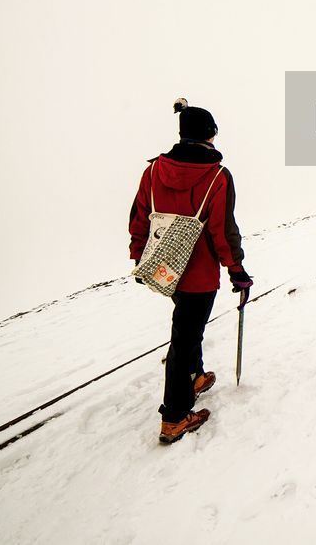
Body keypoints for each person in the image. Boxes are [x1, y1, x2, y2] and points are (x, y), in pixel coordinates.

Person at [128, 98, 253, 444]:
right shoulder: (217, 177)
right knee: (184, 336)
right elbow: (223, 232)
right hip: (198, 275)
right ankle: (175, 416)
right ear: (210, 135)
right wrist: (237, 271)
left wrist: (139, 255)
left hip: (164, 267)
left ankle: (196, 376)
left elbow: (140, 216)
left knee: (187, 324)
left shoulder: (153, 171)